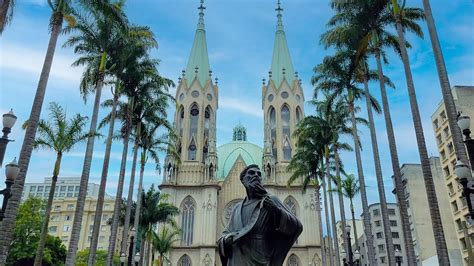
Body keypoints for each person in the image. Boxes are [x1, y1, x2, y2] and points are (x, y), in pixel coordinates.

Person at [218, 164, 303, 265]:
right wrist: (225, 240)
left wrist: (276, 211)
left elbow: (297, 226)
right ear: (243, 180)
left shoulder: (270, 200)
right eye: (251, 173)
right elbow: (225, 234)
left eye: (259, 174)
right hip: (237, 259)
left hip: (260, 259)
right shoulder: (236, 209)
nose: (256, 176)